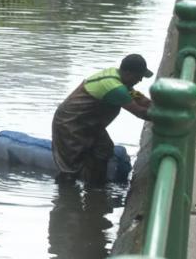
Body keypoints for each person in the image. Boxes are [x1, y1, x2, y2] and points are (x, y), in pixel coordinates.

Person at [51, 54, 153, 187]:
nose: (140, 80)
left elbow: (140, 98)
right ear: (128, 73)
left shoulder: (122, 82)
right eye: (138, 76)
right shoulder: (115, 88)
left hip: (89, 123)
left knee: (103, 150)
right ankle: (66, 200)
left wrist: (156, 105)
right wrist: (166, 117)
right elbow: (139, 112)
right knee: (70, 168)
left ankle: (95, 188)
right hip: (70, 123)